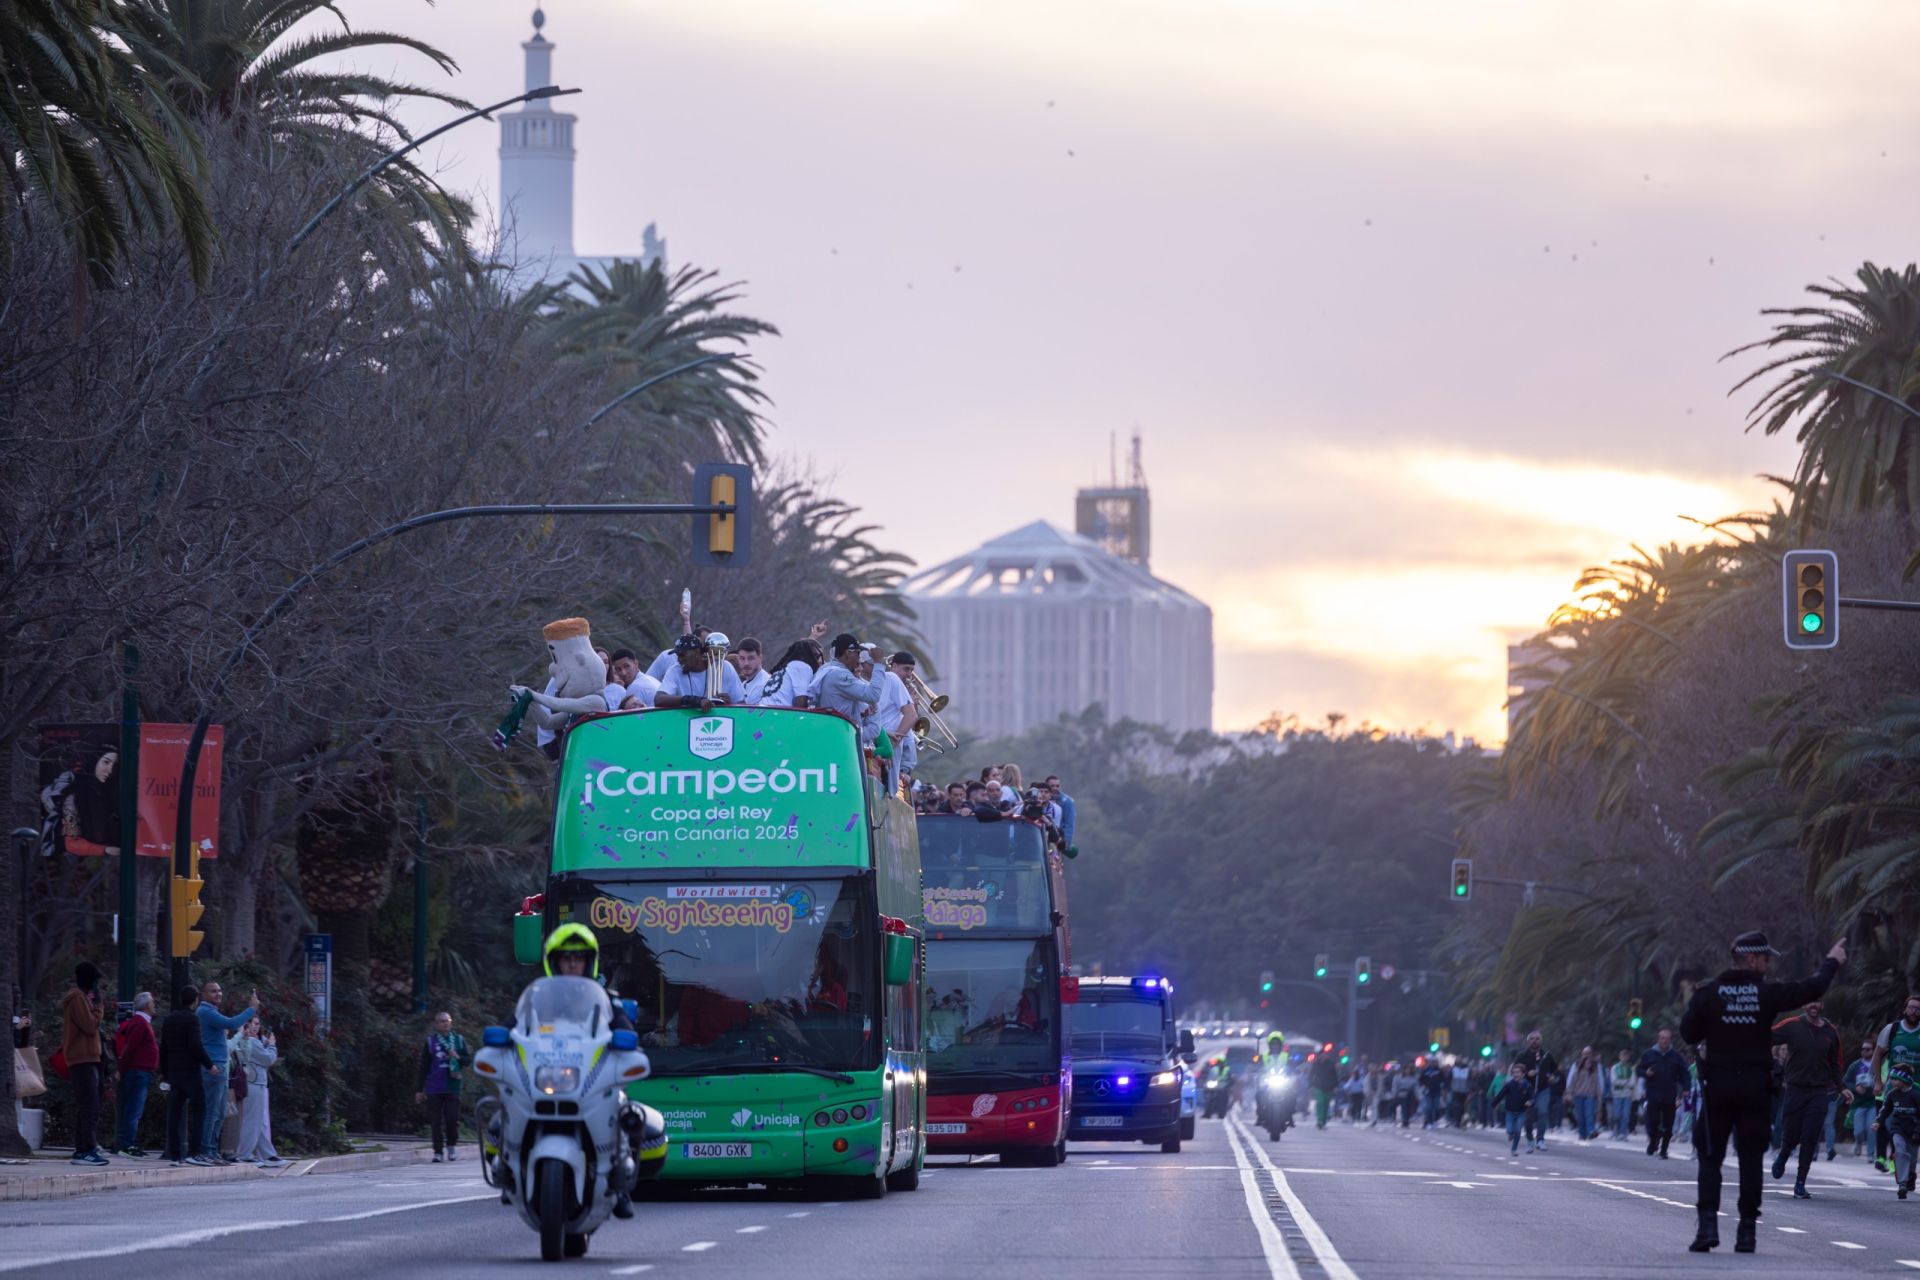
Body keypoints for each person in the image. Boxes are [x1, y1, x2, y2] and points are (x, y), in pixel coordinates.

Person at [1680, 929, 1845, 1254]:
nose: (1769, 964)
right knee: (1751, 1158)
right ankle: (1746, 1233)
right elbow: (1810, 988)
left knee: (1710, 1157)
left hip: (1718, 1088)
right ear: (1751, 958)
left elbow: (1688, 1033)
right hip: (1754, 1088)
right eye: (1766, 958)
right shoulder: (1766, 994)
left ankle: (1708, 1227)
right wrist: (1832, 962)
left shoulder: (1708, 994)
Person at [1770, 999, 1847, 1198]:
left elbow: (1835, 1063)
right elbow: (1766, 1037)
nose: (1814, 1006)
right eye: (1810, 1002)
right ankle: (1783, 1155)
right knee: (1792, 1134)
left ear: (1822, 1005)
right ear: (1804, 1005)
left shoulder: (1830, 1031)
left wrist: (1842, 1088)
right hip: (1795, 1090)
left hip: (1820, 1091)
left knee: (1810, 1137)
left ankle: (1800, 1183)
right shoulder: (1792, 1025)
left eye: (1817, 1002)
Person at [195, 979, 259, 1164]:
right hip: (214, 1066)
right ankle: (206, 1150)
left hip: (221, 1065)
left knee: (220, 1111)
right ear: (203, 995)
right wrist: (251, 1009)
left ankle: (213, 1150)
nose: (219, 993)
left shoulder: (211, 1011)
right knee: (213, 1111)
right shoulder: (205, 1011)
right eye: (213, 991)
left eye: (220, 990)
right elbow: (232, 1024)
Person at [158, 986, 212, 1166]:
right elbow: (196, 1045)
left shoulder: (169, 1020)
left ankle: (175, 1155)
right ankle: (194, 1152)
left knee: (174, 1113)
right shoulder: (192, 1019)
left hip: (174, 1072)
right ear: (195, 1000)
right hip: (191, 1072)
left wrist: (165, 1073)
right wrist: (209, 1064)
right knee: (199, 1109)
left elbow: (163, 1048)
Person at [61, 961, 106, 1165]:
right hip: (82, 1059)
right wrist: (99, 1008)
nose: (97, 986)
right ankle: (86, 1149)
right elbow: (89, 1026)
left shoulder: (81, 998)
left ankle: (84, 1149)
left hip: (89, 1058)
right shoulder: (77, 998)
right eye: (95, 981)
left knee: (90, 1104)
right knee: (90, 1104)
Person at [1871, 994, 1920, 1172]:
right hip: (1895, 1089)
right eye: (1912, 1007)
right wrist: (1878, 1081)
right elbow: (1877, 1055)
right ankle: (1896, 1159)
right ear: (1905, 1009)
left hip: (1917, 1089)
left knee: (1914, 1133)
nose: (1914, 1011)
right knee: (1892, 1125)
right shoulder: (1892, 1030)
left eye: (1918, 1008)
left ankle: (1908, 1169)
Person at [413, 1010, 469, 1163]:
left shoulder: (458, 1040)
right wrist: (419, 1089)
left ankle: (451, 1147)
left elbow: (467, 1060)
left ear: (451, 1023)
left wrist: (458, 1057)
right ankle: (437, 1152)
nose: (445, 1023)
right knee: (435, 1122)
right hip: (434, 1087)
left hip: (453, 1086)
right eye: (442, 1021)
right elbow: (424, 1067)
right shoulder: (431, 1041)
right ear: (436, 1024)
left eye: (448, 1021)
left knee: (452, 1119)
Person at [229, 1017, 283, 1166]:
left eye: (257, 1024)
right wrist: (272, 1046)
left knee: (256, 1122)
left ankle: (268, 1154)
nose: (254, 1027)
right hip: (253, 1083)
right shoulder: (251, 1041)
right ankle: (245, 1154)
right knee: (252, 1121)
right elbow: (268, 1059)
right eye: (251, 1024)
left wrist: (265, 1043)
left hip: (254, 1082)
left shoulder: (254, 1041)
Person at [112, 991, 159, 1157]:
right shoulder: (140, 1023)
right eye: (152, 1003)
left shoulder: (142, 1022)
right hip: (138, 1072)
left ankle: (130, 1143)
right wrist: (122, 1069)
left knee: (134, 1110)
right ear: (146, 1005)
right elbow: (130, 1048)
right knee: (134, 1110)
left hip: (141, 1072)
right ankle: (127, 1146)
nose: (154, 1005)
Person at [811, 633, 887, 729]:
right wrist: (879, 663)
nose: (859, 658)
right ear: (848, 652)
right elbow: (873, 695)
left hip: (828, 727)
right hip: (837, 732)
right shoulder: (839, 675)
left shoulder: (827, 668)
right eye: (858, 653)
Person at [654, 634, 746, 708]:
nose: (679, 659)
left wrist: (729, 704)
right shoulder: (675, 670)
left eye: (682, 655)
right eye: (677, 655)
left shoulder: (725, 667)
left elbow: (742, 704)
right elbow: (659, 699)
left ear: (697, 652)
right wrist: (692, 700)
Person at [1640, 1028, 1688, 1158]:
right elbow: (1639, 1069)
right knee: (1653, 1122)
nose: (1665, 1041)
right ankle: (1653, 1142)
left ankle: (1664, 1149)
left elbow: (1684, 1073)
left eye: (1667, 1038)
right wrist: (1646, 1073)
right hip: (1653, 1093)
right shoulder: (1649, 1054)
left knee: (1668, 1124)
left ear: (1670, 1040)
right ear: (1658, 1039)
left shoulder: (1676, 1056)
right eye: (1662, 1038)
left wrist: (1686, 1088)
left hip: (1669, 1095)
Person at [1877, 1066, 1920, 1198]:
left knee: (1912, 1159)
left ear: (1904, 1080)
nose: (1891, 1081)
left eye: (1894, 1079)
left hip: (1914, 1130)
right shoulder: (1892, 1094)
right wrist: (1878, 1121)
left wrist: (1917, 1131)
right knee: (1900, 1150)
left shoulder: (1915, 1095)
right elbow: (1885, 1110)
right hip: (1898, 1128)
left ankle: (1911, 1176)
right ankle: (1902, 1183)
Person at [1511, 1032, 1557, 1150]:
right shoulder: (1522, 1056)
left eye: (1537, 1039)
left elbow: (1555, 1069)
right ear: (1528, 1041)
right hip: (1526, 1090)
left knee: (1543, 1112)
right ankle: (1530, 1139)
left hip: (1543, 1089)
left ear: (1541, 1041)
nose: (1534, 1041)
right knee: (1528, 1117)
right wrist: (1527, 1073)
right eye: (1532, 1039)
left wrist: (1552, 1076)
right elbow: (1515, 1071)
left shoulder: (1547, 1056)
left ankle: (1540, 1139)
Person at [760, 639, 823, 709]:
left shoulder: (788, 666)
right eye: (817, 656)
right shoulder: (802, 667)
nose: (820, 660)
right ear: (808, 654)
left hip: (764, 712)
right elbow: (801, 701)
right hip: (778, 714)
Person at [1845, 1037, 1879, 1157]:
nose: (1864, 1051)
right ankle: (1858, 1143)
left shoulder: (1877, 1065)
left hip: (1873, 1102)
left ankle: (1870, 1154)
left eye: (1868, 1049)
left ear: (1874, 1050)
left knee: (1871, 1129)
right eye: (1862, 1049)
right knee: (1858, 1131)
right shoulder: (1855, 1066)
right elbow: (1846, 1082)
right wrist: (1855, 1088)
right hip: (1858, 1103)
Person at [1499, 1063, 1536, 1156]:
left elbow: (1532, 1097)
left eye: (1518, 1072)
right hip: (1510, 1111)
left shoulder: (1527, 1085)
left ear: (1523, 1074)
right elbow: (1502, 1094)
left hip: (1521, 1111)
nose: (1515, 1074)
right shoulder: (1508, 1083)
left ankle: (1514, 1149)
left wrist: (1530, 1102)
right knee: (1510, 1130)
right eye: (1514, 1072)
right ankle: (1510, 1134)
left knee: (1518, 1131)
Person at [1568, 1046, 1603, 1139]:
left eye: (1590, 1063)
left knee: (1589, 1114)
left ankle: (1591, 1131)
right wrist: (1569, 1094)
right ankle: (1582, 1134)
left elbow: (1598, 1085)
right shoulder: (1577, 1071)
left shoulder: (1594, 1073)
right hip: (1578, 1096)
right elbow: (1571, 1083)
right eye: (1586, 1062)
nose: (1588, 1064)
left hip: (1590, 1096)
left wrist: (1599, 1096)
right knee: (1580, 1116)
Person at [730, 638, 770, 705]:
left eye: (751, 658)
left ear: (760, 658)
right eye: (742, 658)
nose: (746, 663)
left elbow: (747, 713)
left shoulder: (764, 684)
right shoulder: (745, 683)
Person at [1610, 1049, 1636, 1140]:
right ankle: (1614, 1131)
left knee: (1625, 1115)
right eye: (1623, 1056)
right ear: (1620, 1057)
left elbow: (1632, 1083)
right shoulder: (1614, 1068)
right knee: (1617, 1114)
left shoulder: (1630, 1069)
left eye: (1626, 1056)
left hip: (1627, 1095)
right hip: (1617, 1095)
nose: (1624, 1058)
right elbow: (1614, 1081)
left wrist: (1621, 1083)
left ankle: (1623, 1133)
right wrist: (1625, 1082)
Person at [1309, 1050, 1339, 1129]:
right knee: (1320, 1102)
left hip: (1329, 1087)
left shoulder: (1331, 1064)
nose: (1323, 1056)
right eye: (1321, 1055)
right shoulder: (1316, 1064)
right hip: (1318, 1086)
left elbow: (1335, 1075)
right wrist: (1310, 1085)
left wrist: (1336, 1086)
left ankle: (1324, 1121)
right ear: (1319, 1056)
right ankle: (1320, 1120)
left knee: (1326, 1104)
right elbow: (1311, 1075)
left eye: (1325, 1055)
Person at [1044, 775, 1075, 847]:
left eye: (1057, 786)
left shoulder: (1067, 802)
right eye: (1052, 786)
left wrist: (1065, 844)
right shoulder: (1041, 799)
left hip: (1058, 841)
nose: (1055, 788)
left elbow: (1069, 825)